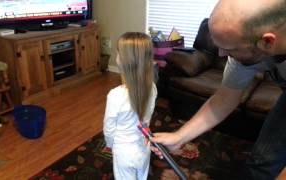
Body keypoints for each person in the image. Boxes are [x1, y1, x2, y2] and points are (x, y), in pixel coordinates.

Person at [151, 0, 286, 179]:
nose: (221, 54)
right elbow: (224, 99)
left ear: (267, 41)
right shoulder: (246, 51)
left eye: (229, 48)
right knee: (262, 161)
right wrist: (179, 137)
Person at [103, 32, 157, 180]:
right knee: (142, 175)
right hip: (144, 147)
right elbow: (148, 117)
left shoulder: (115, 95)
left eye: (118, 53)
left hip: (123, 152)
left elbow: (109, 129)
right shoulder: (152, 87)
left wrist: (110, 145)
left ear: (124, 62)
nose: (116, 57)